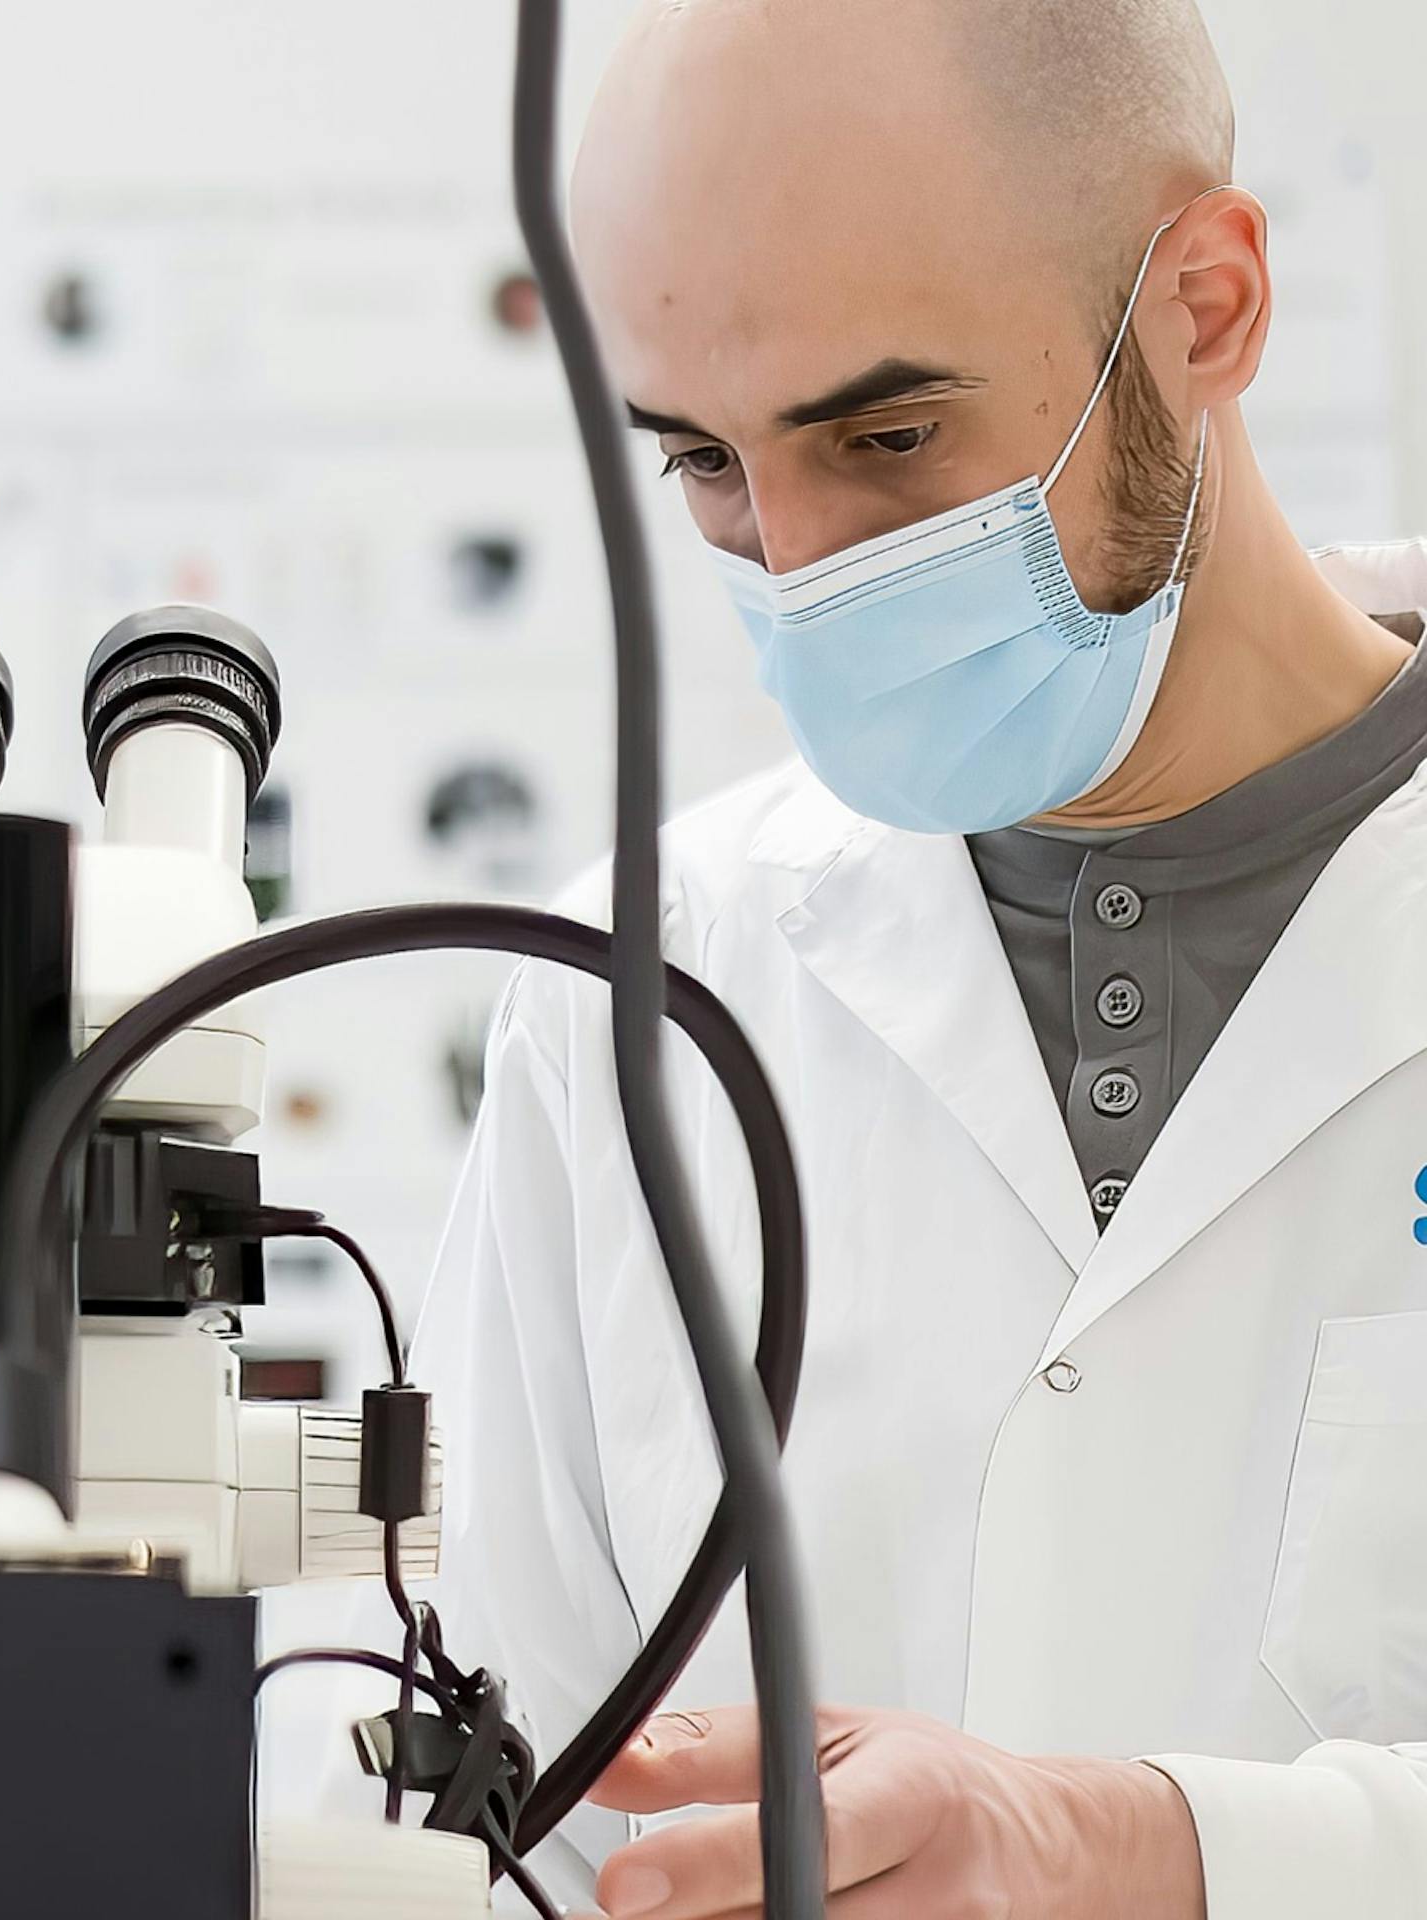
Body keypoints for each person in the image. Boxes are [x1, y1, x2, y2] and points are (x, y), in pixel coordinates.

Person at [401, 1, 1427, 1914]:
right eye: (702, 462)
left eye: (885, 435)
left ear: (1206, 306)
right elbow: (478, 1815)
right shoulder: (638, 984)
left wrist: (1161, 1854)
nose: (794, 569)